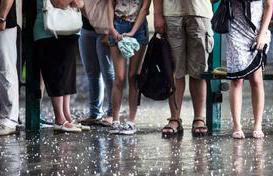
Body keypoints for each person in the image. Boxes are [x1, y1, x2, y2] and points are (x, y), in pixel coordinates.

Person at [153, 0, 214, 138]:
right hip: (171, 13)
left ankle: (199, 118)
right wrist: (157, 14)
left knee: (198, 71)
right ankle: (174, 118)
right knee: (174, 71)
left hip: (200, 12)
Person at [34, 0, 87, 133]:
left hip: (67, 29)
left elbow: (80, 4)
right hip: (50, 31)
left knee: (66, 74)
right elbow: (60, 3)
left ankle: (66, 116)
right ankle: (59, 118)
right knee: (56, 73)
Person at [227, 0, 273, 139]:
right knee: (236, 80)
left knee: (257, 79)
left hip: (257, 30)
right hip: (235, 28)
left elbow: (269, 6)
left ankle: (258, 125)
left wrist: (262, 33)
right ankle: (236, 125)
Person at [108, 0, 151, 135]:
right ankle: (115, 120)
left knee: (133, 77)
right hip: (117, 24)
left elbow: (145, 8)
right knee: (119, 78)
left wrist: (132, 32)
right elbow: (110, 4)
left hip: (138, 28)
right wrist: (111, 28)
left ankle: (131, 121)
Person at [79, 16, 115, 127]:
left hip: (104, 29)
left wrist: (110, 29)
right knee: (92, 73)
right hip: (85, 27)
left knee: (108, 74)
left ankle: (112, 113)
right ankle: (95, 113)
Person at [0, 0, 19, 136]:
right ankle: (8, 118)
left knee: (7, 69)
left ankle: (10, 119)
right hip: (4, 20)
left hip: (5, 22)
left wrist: (2, 17)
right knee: (6, 68)